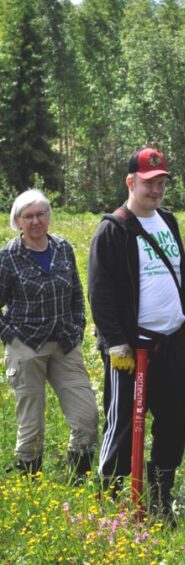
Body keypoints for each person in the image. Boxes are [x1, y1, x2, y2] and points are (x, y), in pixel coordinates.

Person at [89, 147, 185, 515]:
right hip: (134, 349)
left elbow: (182, 273)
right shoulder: (113, 228)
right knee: (121, 428)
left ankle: (160, 495)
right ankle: (110, 500)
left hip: (175, 342)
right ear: (131, 181)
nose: (156, 190)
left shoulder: (167, 219)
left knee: (174, 423)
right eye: (149, 182)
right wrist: (114, 342)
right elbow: (100, 293)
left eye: (162, 182)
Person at [0, 190, 98, 480]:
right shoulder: (8, 257)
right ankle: (31, 481)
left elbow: (77, 295)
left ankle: (78, 478)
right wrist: (10, 337)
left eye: (41, 214)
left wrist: (77, 327)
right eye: (28, 216)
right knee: (30, 423)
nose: (35, 221)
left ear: (49, 217)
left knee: (87, 416)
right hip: (26, 346)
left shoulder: (62, 248)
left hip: (65, 344)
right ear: (17, 221)